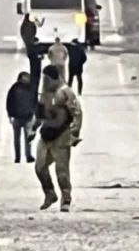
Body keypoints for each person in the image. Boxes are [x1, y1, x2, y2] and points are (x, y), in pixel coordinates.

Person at [28, 65, 82, 212]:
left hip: (61, 135)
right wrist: (33, 130)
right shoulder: (44, 94)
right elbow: (39, 115)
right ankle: (50, 193)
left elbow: (77, 112)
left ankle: (66, 198)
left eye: (47, 79)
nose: (45, 83)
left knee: (62, 171)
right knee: (40, 167)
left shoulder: (65, 92)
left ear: (54, 78)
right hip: (45, 135)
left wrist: (74, 132)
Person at [6, 72, 36, 163]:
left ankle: (26, 155)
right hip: (18, 117)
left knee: (27, 138)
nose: (27, 79)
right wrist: (10, 115)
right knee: (18, 139)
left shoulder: (16, 88)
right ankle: (19, 156)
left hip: (26, 116)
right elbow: (9, 102)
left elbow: (34, 101)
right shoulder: (18, 88)